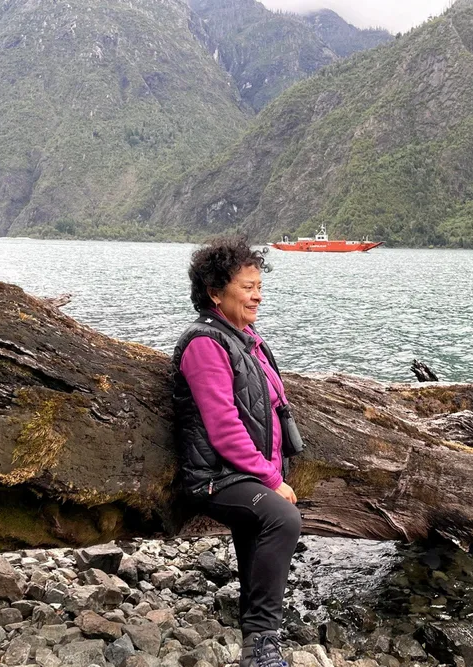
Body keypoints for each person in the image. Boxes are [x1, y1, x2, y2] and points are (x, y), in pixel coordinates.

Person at [171, 237, 301, 667]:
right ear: (215, 292)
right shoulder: (205, 344)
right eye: (247, 287)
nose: (257, 295)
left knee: (256, 533)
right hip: (215, 477)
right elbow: (224, 428)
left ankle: (254, 639)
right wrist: (271, 478)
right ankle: (262, 645)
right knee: (281, 518)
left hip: (242, 472)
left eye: (259, 286)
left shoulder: (245, 338)